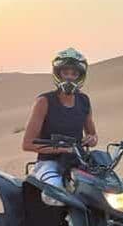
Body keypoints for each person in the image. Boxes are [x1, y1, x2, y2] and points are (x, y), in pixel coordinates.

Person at [22, 48, 98, 205]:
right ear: (58, 73)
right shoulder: (44, 101)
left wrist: (91, 139)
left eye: (74, 74)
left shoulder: (84, 101)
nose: (69, 77)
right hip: (48, 163)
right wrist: (63, 149)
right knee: (58, 194)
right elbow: (27, 144)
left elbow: (93, 135)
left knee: (102, 192)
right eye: (65, 73)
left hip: (77, 161)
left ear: (80, 76)